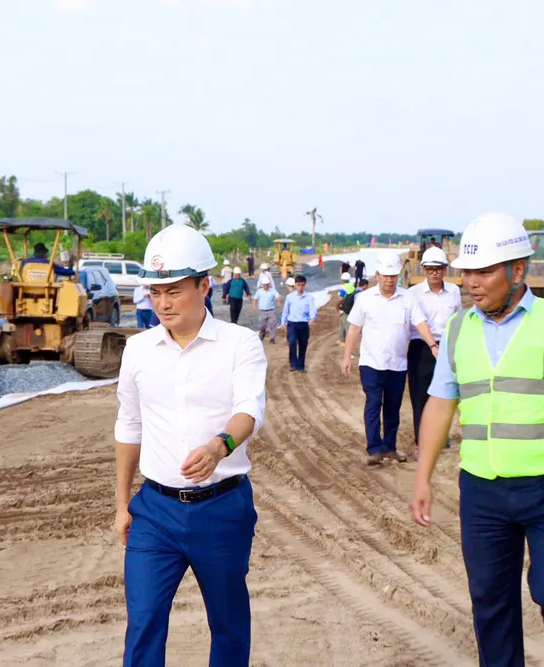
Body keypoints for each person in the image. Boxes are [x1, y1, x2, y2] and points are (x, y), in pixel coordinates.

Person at [411, 213, 544, 667]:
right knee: (490, 602)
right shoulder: (457, 330)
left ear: (518, 270)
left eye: (484, 271)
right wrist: (423, 477)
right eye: (467, 272)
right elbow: (438, 405)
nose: (472, 283)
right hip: (482, 490)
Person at [114, 223, 266, 667]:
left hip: (221, 508)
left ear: (205, 285)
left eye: (174, 290)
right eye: (155, 291)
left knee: (228, 625)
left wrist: (220, 446)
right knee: (142, 623)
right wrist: (123, 503)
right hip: (154, 512)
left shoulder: (241, 344)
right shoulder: (138, 350)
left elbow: (249, 411)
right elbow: (129, 424)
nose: (162, 302)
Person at [343, 256, 437, 465]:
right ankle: (374, 448)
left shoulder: (407, 298)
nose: (389, 280)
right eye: (386, 276)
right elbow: (354, 328)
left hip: (397, 364)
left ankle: (390, 447)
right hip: (371, 363)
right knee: (374, 403)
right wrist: (346, 356)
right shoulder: (365, 298)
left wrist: (432, 345)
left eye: (393, 276)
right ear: (377, 276)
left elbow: (420, 323)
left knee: (393, 407)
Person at [407, 247, 461, 458]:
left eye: (438, 268)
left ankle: (441, 436)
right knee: (420, 397)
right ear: (423, 269)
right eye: (430, 269)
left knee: (443, 395)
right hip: (421, 348)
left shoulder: (454, 292)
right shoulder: (413, 294)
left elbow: (456, 319)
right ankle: (422, 443)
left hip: (446, 347)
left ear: (445, 270)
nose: (434, 273)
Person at [280, 274, 317, 372]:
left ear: (305, 285)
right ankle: (293, 364)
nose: (300, 287)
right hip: (292, 324)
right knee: (292, 342)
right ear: (295, 285)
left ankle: (301, 366)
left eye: (302, 285)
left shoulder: (309, 297)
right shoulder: (290, 297)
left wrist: (312, 318)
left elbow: (313, 309)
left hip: (304, 324)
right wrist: (283, 323)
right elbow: (285, 311)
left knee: (303, 344)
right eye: (298, 285)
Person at [252, 274, 281, 343]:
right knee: (262, 325)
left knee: (272, 324)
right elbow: (255, 299)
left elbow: (278, 296)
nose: (266, 286)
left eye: (267, 284)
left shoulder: (272, 291)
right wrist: (254, 306)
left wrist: (279, 301)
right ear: (262, 285)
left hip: (271, 310)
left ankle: (272, 338)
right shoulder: (259, 292)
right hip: (262, 311)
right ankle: (262, 334)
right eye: (265, 284)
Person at [337, 271, 356, 344]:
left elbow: (340, 298)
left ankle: (347, 341)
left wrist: (337, 306)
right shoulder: (352, 287)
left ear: (342, 280)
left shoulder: (343, 287)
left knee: (345, 325)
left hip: (344, 308)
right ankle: (342, 339)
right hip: (350, 307)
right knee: (343, 324)